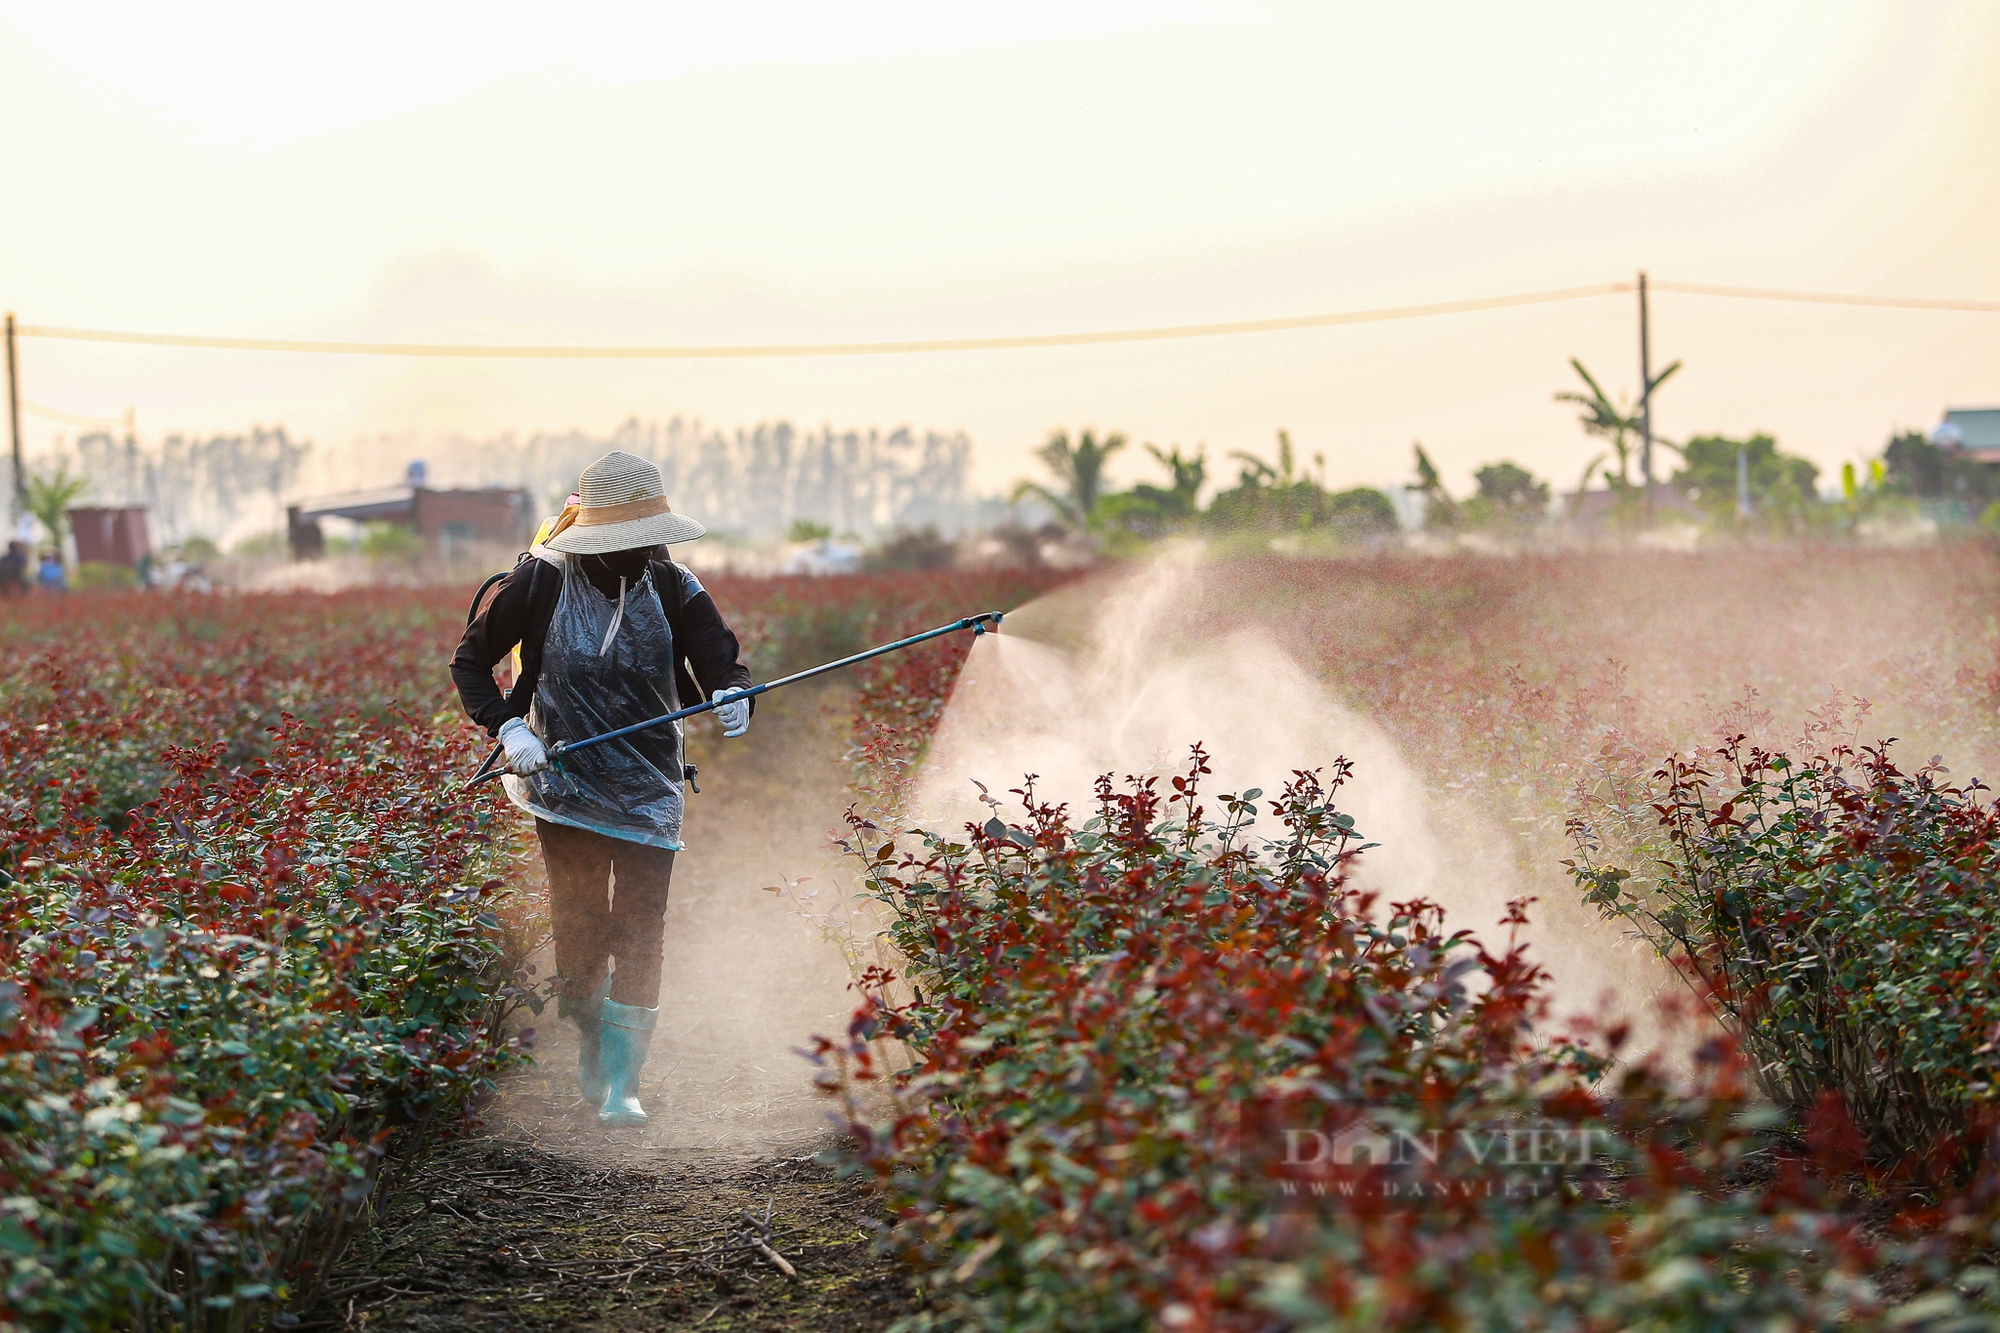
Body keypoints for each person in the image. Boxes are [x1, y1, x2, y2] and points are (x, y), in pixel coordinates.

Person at [450, 451, 754, 1126]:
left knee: (643, 924)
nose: (632, 553)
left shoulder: (675, 585)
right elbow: (469, 660)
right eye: (618, 542)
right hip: (563, 779)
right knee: (580, 924)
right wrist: (508, 729)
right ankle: (592, 1026)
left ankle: (624, 1080)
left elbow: (718, 659)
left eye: (642, 541)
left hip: (650, 784)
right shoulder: (540, 582)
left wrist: (734, 693)